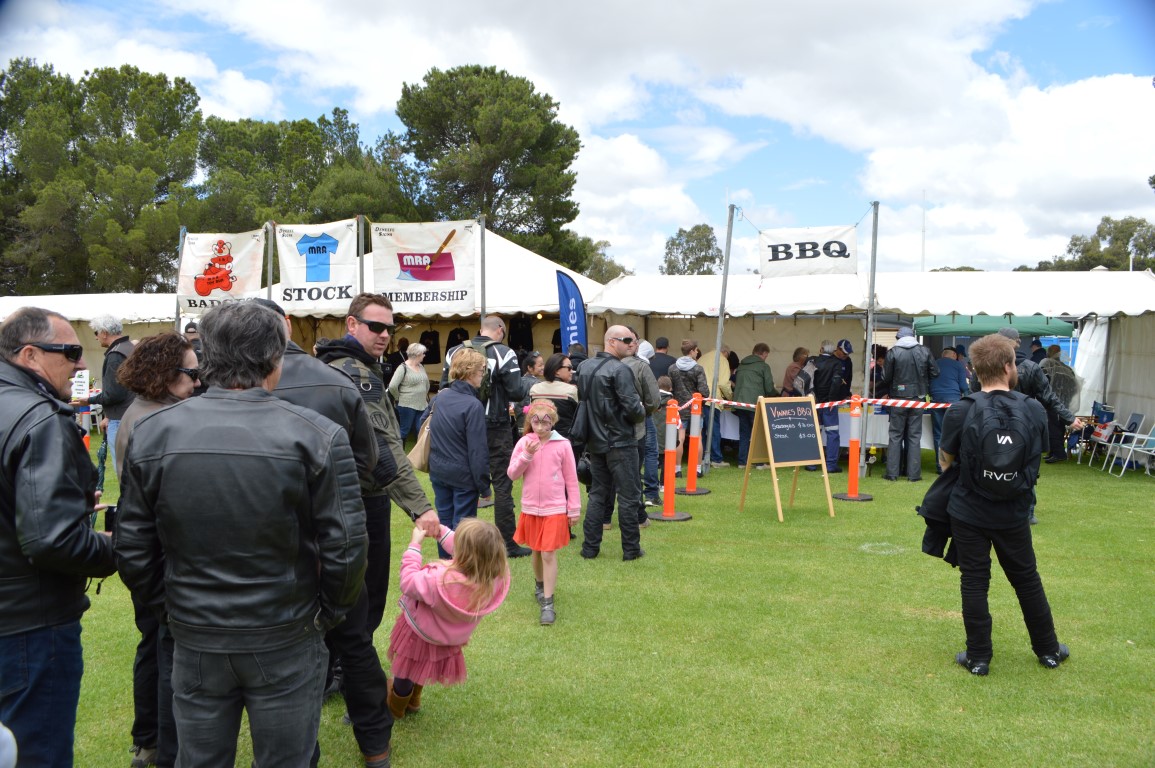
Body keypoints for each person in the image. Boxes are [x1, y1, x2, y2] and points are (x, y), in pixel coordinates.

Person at [115, 301, 370, 768]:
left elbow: (347, 547)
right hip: (249, 630)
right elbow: (347, 547)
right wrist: (169, 610)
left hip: (254, 629)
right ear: (275, 358)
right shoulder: (315, 435)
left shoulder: (155, 432)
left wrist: (323, 615)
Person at [259, 297, 396, 766]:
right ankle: (375, 745)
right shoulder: (338, 380)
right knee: (353, 637)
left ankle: (349, 744)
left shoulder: (224, 388)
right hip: (334, 530)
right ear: (286, 324)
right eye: (377, 326)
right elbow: (370, 459)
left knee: (298, 644)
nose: (384, 334)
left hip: (279, 537)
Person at [0, 307, 115, 767]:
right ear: (30, 354)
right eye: (70, 352)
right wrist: (116, 546)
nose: (81, 363)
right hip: (29, 626)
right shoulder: (40, 418)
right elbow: (52, 541)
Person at [938, 333, 1068, 676]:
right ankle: (1048, 650)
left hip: (968, 508)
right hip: (1014, 509)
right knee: (1026, 579)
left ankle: (978, 657)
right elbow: (1036, 453)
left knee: (974, 580)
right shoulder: (1033, 408)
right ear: (1010, 366)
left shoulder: (961, 409)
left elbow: (945, 460)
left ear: (974, 369)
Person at [316, 293, 441, 637]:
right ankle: (351, 658)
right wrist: (420, 508)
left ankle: (343, 654)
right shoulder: (356, 373)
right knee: (366, 591)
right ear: (351, 324)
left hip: (334, 496)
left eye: (389, 328)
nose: (384, 334)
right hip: (361, 497)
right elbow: (383, 449)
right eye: (375, 326)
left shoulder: (332, 365)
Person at [114, 332, 202, 768]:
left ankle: (148, 739)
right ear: (165, 374)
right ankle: (161, 746)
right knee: (165, 654)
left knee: (152, 646)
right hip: (158, 559)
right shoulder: (155, 421)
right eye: (190, 373)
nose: (198, 382)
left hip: (149, 557)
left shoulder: (143, 412)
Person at [385, 518, 510, 720]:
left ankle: (396, 706)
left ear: (464, 554)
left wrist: (414, 546)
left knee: (406, 668)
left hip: (418, 631)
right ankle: (414, 700)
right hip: (445, 638)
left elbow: (408, 581)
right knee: (421, 663)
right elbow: (469, 549)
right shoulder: (494, 578)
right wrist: (440, 531)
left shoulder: (440, 580)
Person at [441, 316, 530, 558]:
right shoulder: (505, 353)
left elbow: (444, 387)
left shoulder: (454, 351)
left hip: (460, 425)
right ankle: (507, 544)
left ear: (480, 330)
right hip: (495, 425)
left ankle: (459, 543)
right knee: (502, 485)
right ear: (500, 330)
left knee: (465, 482)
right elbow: (516, 391)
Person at [508, 401, 580, 625]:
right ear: (530, 421)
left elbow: (571, 479)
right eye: (535, 422)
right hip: (531, 507)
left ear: (553, 421)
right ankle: (539, 585)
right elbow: (512, 474)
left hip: (555, 508)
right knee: (537, 551)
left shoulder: (563, 445)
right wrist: (526, 455)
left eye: (545, 422)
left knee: (548, 552)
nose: (540, 427)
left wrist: (574, 508)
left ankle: (548, 603)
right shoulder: (524, 443)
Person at [580, 326, 647, 561]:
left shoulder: (585, 367)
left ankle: (590, 548)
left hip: (596, 441)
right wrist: (641, 410)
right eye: (626, 339)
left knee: (598, 494)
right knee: (629, 496)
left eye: (633, 340)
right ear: (611, 341)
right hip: (620, 442)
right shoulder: (620, 370)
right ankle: (631, 549)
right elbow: (633, 408)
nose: (631, 343)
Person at [428, 347, 491, 538]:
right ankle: (458, 559)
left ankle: (445, 558)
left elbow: (423, 424)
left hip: (439, 471)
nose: (483, 375)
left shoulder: (440, 397)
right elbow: (477, 451)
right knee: (463, 530)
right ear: (470, 372)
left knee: (444, 525)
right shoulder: (473, 405)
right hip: (463, 476)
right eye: (481, 370)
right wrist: (484, 486)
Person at [76, 313, 136, 469]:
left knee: (123, 470)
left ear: (104, 332)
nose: (96, 337)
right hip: (133, 415)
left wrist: (88, 400)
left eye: (96, 333)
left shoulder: (115, 355)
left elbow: (114, 394)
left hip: (121, 420)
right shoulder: (130, 348)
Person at [882, 327, 939, 482]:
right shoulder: (924, 351)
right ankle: (913, 475)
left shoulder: (893, 352)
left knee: (895, 435)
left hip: (898, 398)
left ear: (898, 337)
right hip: (918, 397)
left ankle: (892, 473)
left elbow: (885, 377)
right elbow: (935, 372)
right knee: (914, 436)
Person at [621, 330, 661, 513]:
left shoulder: (604, 365)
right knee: (647, 455)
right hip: (640, 419)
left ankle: (607, 512)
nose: (633, 344)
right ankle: (649, 496)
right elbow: (654, 399)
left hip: (611, 421)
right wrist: (645, 410)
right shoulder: (641, 367)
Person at [733, 343, 779, 468]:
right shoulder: (763, 366)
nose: (766, 358)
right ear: (763, 353)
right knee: (758, 434)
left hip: (740, 403)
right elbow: (769, 388)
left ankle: (742, 462)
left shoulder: (742, 365)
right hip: (754, 404)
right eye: (766, 356)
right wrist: (777, 394)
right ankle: (760, 462)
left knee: (744, 434)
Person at [668, 339, 709, 472]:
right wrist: (702, 402)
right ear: (691, 351)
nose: (697, 352)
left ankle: (677, 469)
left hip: (679, 408)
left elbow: (670, 389)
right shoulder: (698, 369)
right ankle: (697, 469)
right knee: (697, 438)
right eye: (696, 350)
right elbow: (704, 391)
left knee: (680, 438)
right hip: (695, 407)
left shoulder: (672, 368)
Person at [530, 354, 580, 457]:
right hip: (566, 441)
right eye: (569, 368)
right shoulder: (571, 391)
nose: (571, 371)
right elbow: (578, 417)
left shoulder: (535, 389)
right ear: (557, 370)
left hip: (540, 439)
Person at [928, 346, 970, 467]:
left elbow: (928, 382)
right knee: (954, 433)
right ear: (954, 355)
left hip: (936, 400)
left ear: (943, 355)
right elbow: (963, 386)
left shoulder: (934, 364)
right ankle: (954, 464)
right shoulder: (958, 365)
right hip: (954, 402)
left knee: (938, 433)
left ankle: (940, 465)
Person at [1039, 345, 1079, 463]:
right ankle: (1054, 451)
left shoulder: (1047, 364)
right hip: (1064, 402)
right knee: (1060, 426)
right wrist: (1066, 397)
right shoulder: (1067, 368)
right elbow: (1074, 387)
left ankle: (1058, 453)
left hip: (1051, 401)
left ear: (1049, 352)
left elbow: (1041, 381)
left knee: (1052, 426)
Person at [810, 340, 846, 473]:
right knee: (832, 433)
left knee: (814, 432)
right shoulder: (836, 363)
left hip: (814, 402)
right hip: (829, 404)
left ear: (821, 349)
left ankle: (811, 463)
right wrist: (832, 399)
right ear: (833, 351)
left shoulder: (813, 361)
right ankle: (831, 465)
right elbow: (836, 382)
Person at [696, 344, 733, 467]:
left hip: (699, 398)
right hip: (713, 398)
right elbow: (723, 383)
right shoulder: (722, 359)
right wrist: (730, 397)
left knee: (701, 430)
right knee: (714, 429)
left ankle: (701, 457)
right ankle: (716, 459)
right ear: (725, 352)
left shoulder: (703, 358)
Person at [388, 341, 430, 443]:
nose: (424, 355)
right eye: (423, 353)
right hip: (406, 404)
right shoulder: (402, 368)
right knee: (404, 431)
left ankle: (418, 452)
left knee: (420, 430)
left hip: (422, 404)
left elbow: (426, 383)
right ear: (417, 354)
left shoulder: (421, 367)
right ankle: (399, 451)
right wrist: (398, 398)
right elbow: (392, 386)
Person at [515, 351, 545, 431]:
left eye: (543, 364)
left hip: (519, 423)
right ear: (530, 368)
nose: (543, 367)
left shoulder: (518, 381)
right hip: (533, 424)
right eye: (540, 365)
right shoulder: (538, 384)